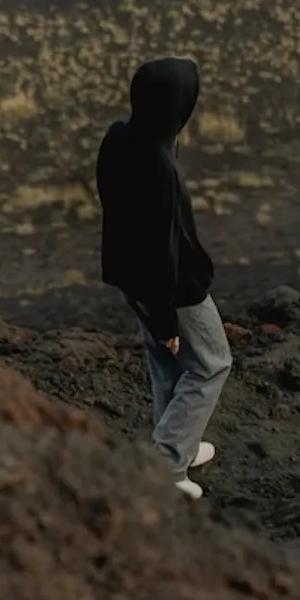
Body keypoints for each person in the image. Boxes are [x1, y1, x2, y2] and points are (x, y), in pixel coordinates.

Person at [95, 57, 232, 499]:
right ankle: (168, 466)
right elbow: (163, 248)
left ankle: (177, 446)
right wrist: (165, 318)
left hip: (133, 280)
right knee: (211, 365)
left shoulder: (120, 138)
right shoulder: (160, 169)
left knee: (168, 364)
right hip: (174, 291)